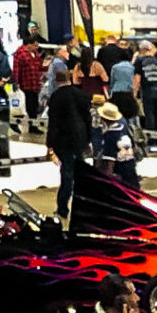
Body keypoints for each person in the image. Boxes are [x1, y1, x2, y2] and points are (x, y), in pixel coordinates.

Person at [45, 78, 92, 219]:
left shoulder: (56, 96)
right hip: (80, 138)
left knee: (67, 174)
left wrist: (50, 145)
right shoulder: (81, 94)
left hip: (64, 140)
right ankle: (82, 206)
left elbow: (53, 122)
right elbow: (87, 118)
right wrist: (88, 139)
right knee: (80, 172)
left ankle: (63, 208)